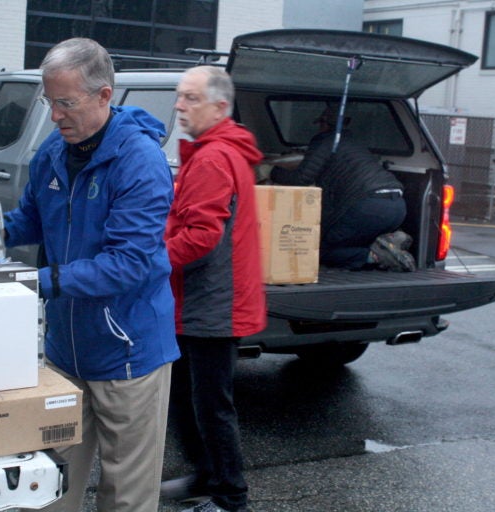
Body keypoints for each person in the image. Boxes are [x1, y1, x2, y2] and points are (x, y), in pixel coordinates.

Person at [0, 38, 179, 512]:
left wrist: (44, 281)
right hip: (65, 351)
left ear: (104, 96)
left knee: (126, 495)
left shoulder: (139, 161)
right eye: (49, 101)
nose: (54, 116)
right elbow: (29, 221)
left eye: (66, 103)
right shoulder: (52, 154)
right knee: (51, 483)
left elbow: (130, 262)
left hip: (129, 353)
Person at [164, 65, 267, 512]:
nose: (179, 105)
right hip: (209, 300)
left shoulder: (211, 158)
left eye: (190, 98)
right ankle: (207, 476)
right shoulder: (218, 152)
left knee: (210, 406)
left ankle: (230, 498)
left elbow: (201, 236)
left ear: (220, 107)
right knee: (187, 400)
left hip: (211, 305)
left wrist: (148, 262)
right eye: (180, 96)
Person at [270, 103, 416, 271]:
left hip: (368, 205)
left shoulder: (324, 141)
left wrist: (273, 172)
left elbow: (302, 178)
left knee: (319, 249)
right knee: (353, 237)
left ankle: (375, 255)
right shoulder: (354, 143)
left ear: (323, 124)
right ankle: (389, 240)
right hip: (397, 206)